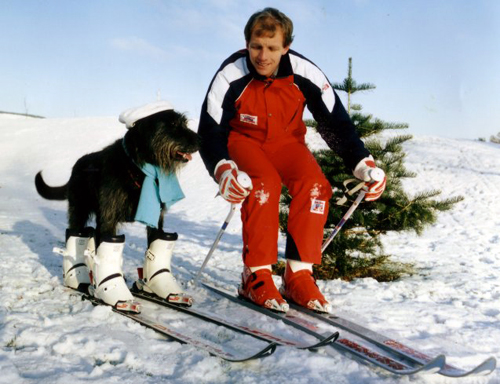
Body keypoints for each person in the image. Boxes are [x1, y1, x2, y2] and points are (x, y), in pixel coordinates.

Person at [198, 7, 386, 313]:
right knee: (265, 185)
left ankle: (298, 274)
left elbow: (334, 121)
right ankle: (255, 275)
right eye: (256, 47)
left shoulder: (304, 72)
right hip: (243, 140)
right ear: (247, 44)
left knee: (315, 185)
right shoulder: (231, 73)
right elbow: (210, 128)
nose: (263, 56)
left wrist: (362, 162)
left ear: (286, 47)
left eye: (272, 48)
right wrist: (222, 169)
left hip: (286, 142)